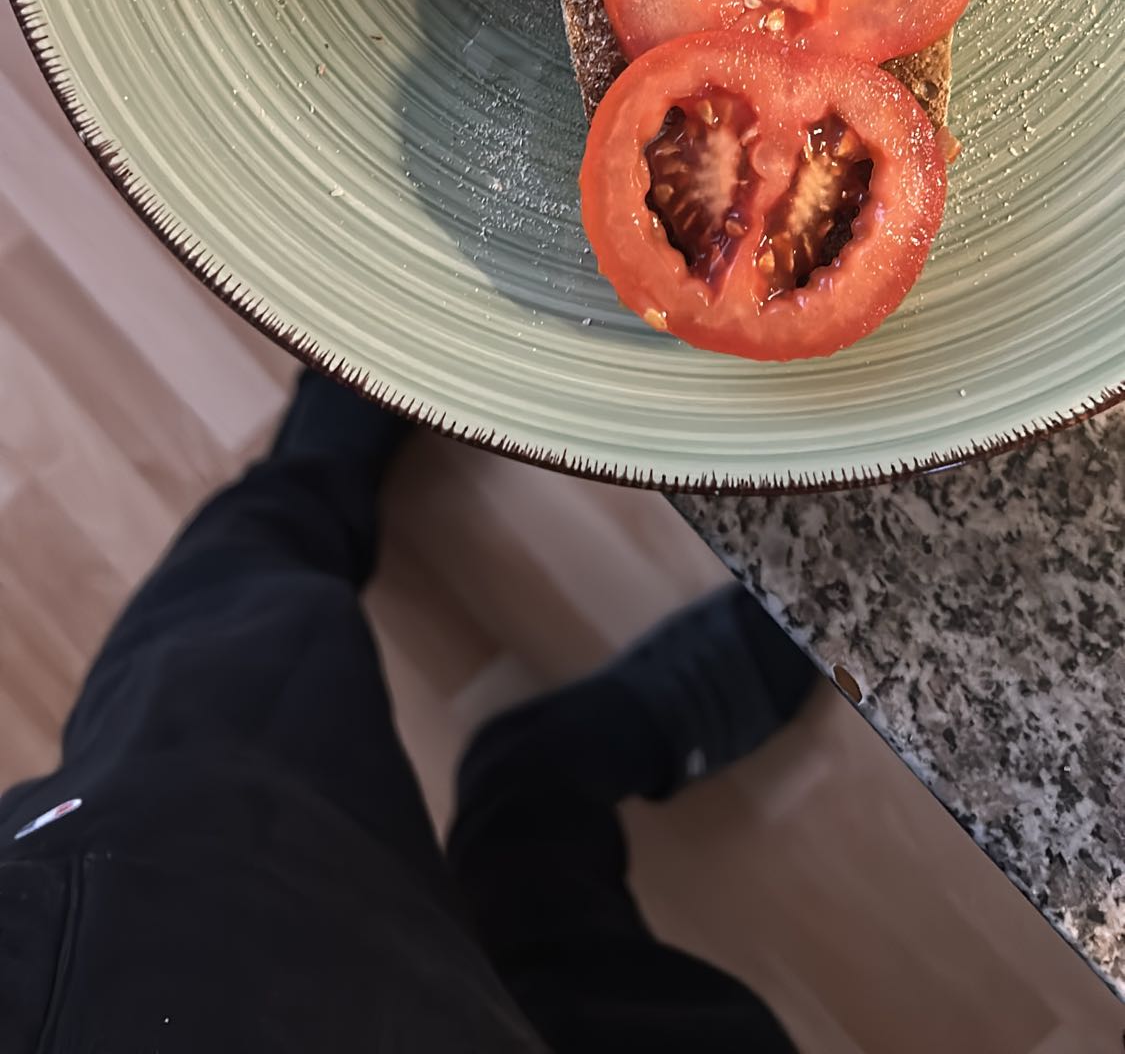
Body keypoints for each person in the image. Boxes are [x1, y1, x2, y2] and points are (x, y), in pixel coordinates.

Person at [0, 369, 815, 1052]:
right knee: (611, 993)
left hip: (107, 966)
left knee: (235, 647)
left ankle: (315, 475)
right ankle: (544, 779)